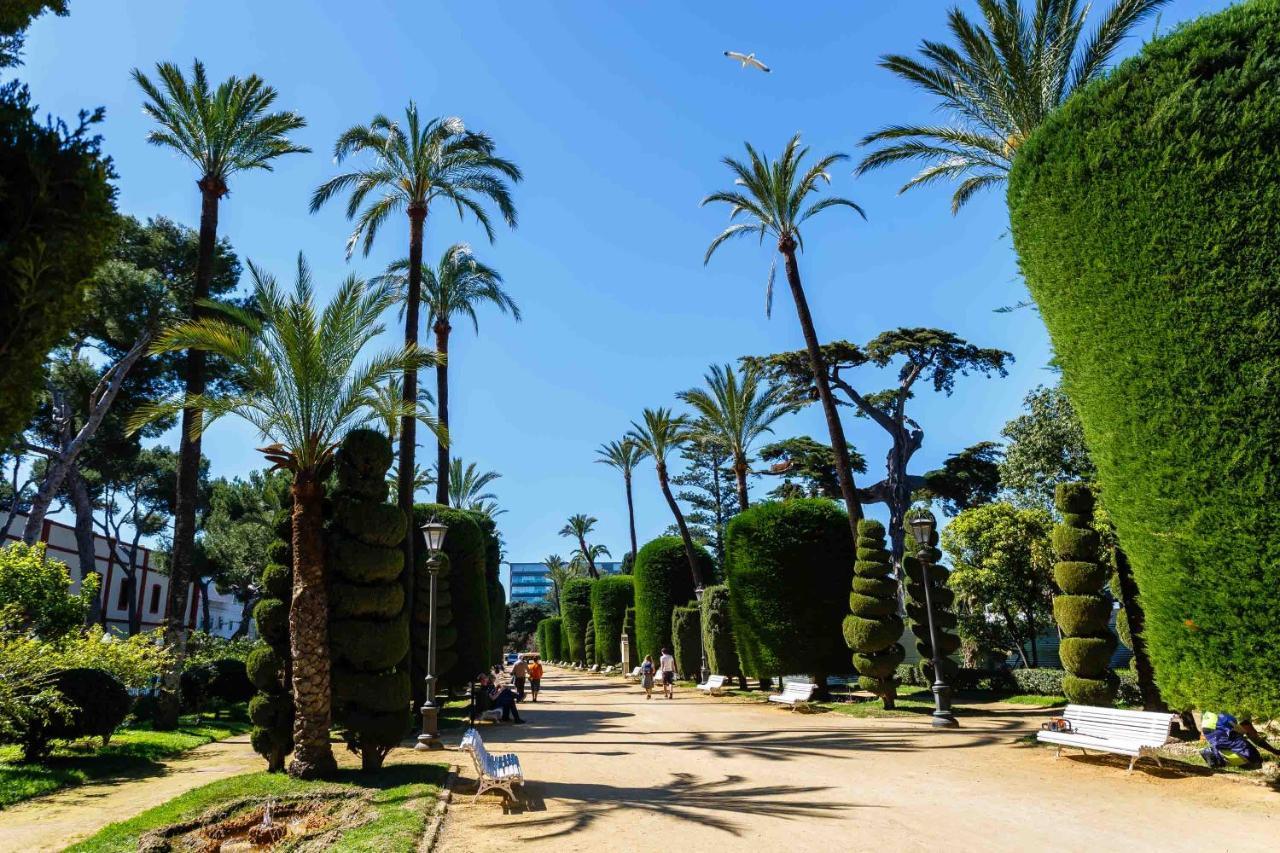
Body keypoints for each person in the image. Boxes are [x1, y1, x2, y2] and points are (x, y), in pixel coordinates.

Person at [1200, 711, 1279, 769]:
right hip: (1218, 730)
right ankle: (1214, 757)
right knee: (1252, 756)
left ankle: (1218, 754)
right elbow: (1253, 736)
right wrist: (1274, 751)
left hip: (1211, 728)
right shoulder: (1242, 712)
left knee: (1239, 743)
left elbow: (1246, 732)